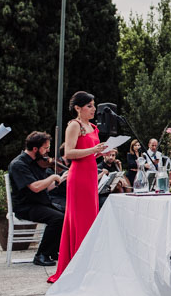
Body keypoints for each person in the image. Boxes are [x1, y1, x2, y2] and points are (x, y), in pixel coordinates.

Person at [48, 91, 108, 283]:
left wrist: (103, 153)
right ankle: (77, 265)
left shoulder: (93, 127)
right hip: (79, 177)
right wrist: (94, 150)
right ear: (77, 108)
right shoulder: (75, 125)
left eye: (93, 105)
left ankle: (90, 263)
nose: (93, 109)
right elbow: (69, 153)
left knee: (91, 218)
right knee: (80, 219)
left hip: (91, 176)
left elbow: (91, 154)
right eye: (89, 106)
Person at [8, 132, 66, 266]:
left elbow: (45, 187)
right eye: (45, 148)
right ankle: (41, 255)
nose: (48, 151)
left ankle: (52, 251)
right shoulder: (18, 164)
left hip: (39, 202)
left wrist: (61, 179)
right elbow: (35, 187)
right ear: (35, 149)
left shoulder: (37, 162)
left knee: (67, 214)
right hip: (26, 206)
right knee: (57, 218)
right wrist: (52, 177)